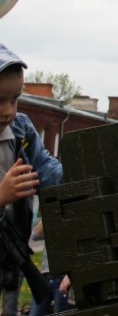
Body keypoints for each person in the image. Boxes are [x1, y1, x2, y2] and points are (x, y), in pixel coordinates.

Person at [0, 44, 63, 315]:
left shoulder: (21, 130)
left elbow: (50, 172)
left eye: (14, 100)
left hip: (11, 252)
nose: (8, 111)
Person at [29, 219, 70, 316]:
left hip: (62, 278)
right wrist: (46, 215)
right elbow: (35, 235)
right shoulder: (50, 223)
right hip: (45, 278)